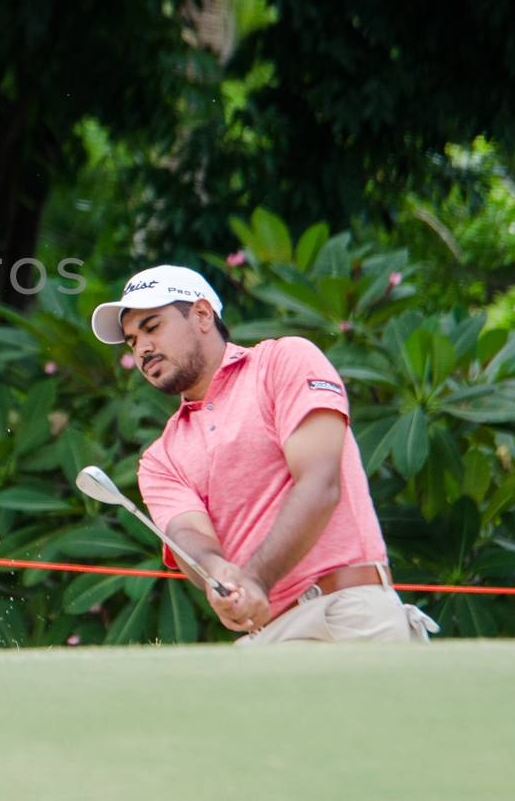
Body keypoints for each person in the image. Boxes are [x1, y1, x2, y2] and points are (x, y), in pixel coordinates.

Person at [90, 265, 438, 644]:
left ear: (203, 315)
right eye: (131, 341)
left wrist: (255, 578)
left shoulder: (284, 361)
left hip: (351, 613)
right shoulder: (160, 459)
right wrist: (215, 570)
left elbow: (320, 483)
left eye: (153, 327)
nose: (142, 348)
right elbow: (186, 531)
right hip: (267, 635)